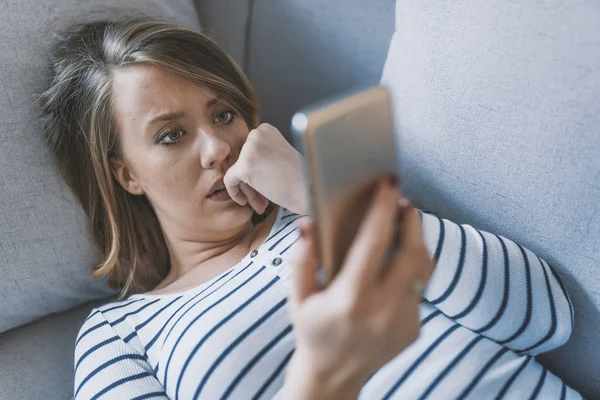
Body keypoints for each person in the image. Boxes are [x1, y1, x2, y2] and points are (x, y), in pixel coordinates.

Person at [39, 17, 581, 400]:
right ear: (126, 173)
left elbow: (545, 315)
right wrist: (322, 378)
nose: (217, 148)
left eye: (224, 114)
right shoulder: (122, 335)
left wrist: (323, 194)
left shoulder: (336, 210)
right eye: (171, 135)